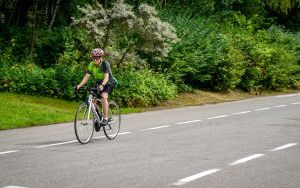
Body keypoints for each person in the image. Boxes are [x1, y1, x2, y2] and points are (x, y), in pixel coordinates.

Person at [76, 48, 116, 131]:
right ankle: (98, 119)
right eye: (93, 57)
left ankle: (105, 118)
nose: (95, 59)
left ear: (101, 57)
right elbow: (86, 76)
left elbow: (106, 76)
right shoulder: (91, 64)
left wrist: (102, 85)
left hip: (108, 82)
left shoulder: (105, 64)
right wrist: (79, 85)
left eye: (97, 58)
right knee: (93, 100)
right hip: (98, 82)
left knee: (104, 96)